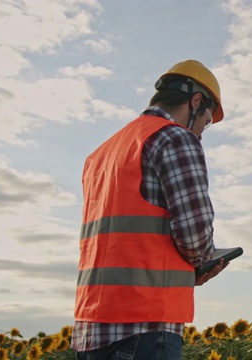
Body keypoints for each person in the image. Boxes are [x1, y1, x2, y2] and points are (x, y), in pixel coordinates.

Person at [71, 60, 228, 359]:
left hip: (91, 326)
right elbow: (195, 240)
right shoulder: (175, 138)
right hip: (146, 325)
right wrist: (202, 262)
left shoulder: (100, 155)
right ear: (196, 101)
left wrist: (179, 272)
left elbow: (124, 241)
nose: (202, 132)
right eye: (206, 121)